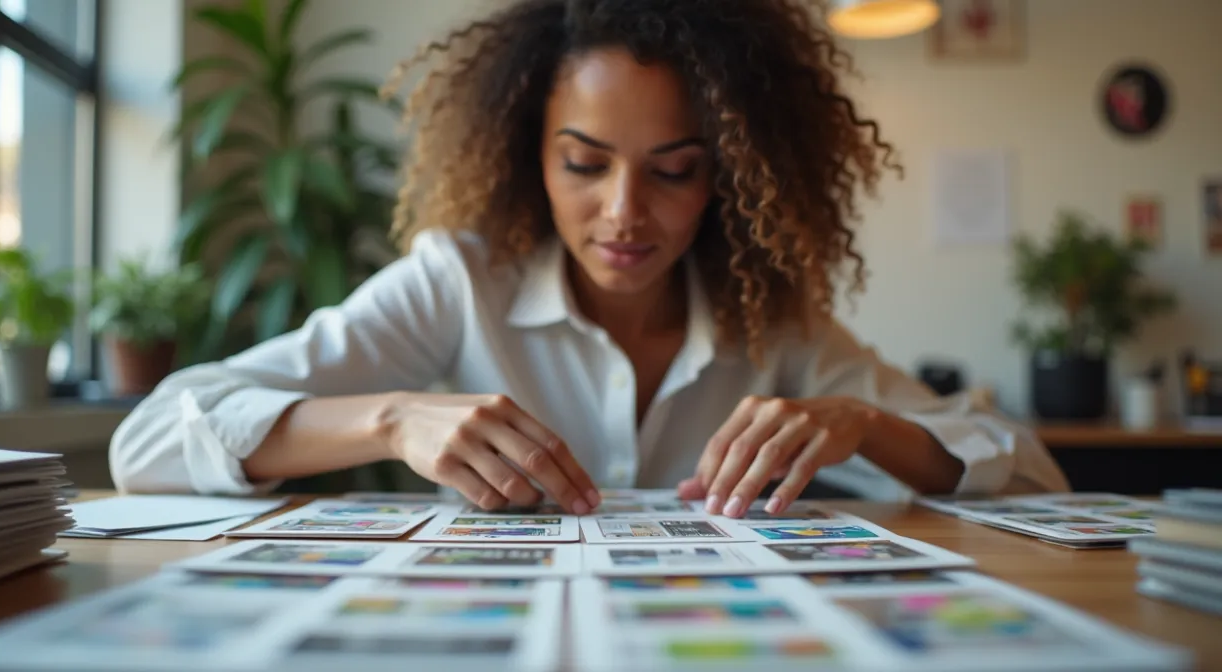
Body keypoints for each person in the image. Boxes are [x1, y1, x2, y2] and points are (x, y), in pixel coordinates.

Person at [109, 0, 1070, 518]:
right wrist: (392, 418)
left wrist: (864, 424)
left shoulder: (769, 317)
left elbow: (1034, 478)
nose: (624, 213)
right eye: (584, 163)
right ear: (531, 154)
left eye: (675, 170)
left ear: (725, 181)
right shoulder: (458, 282)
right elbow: (146, 442)